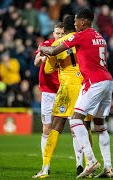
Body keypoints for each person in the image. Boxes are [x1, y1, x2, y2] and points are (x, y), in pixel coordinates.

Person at [40, 9, 113, 178]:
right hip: (107, 80)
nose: (74, 24)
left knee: (74, 121)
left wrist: (42, 47)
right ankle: (108, 167)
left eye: (76, 21)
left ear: (83, 22)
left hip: (90, 83)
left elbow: (52, 53)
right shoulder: (100, 37)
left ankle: (91, 160)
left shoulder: (80, 36)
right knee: (100, 126)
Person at [32, 15, 94, 179]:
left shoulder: (57, 44)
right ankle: (88, 165)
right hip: (83, 89)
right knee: (84, 127)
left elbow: (47, 70)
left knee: (55, 127)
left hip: (66, 89)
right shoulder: (83, 40)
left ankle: (45, 168)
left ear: (64, 31)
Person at [33, 22, 63, 175]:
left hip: (64, 91)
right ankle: (46, 164)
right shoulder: (46, 44)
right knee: (46, 128)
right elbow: (36, 62)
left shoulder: (68, 46)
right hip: (48, 92)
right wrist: (42, 59)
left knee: (75, 127)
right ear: (53, 33)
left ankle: (81, 164)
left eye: (61, 33)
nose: (58, 36)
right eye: (56, 33)